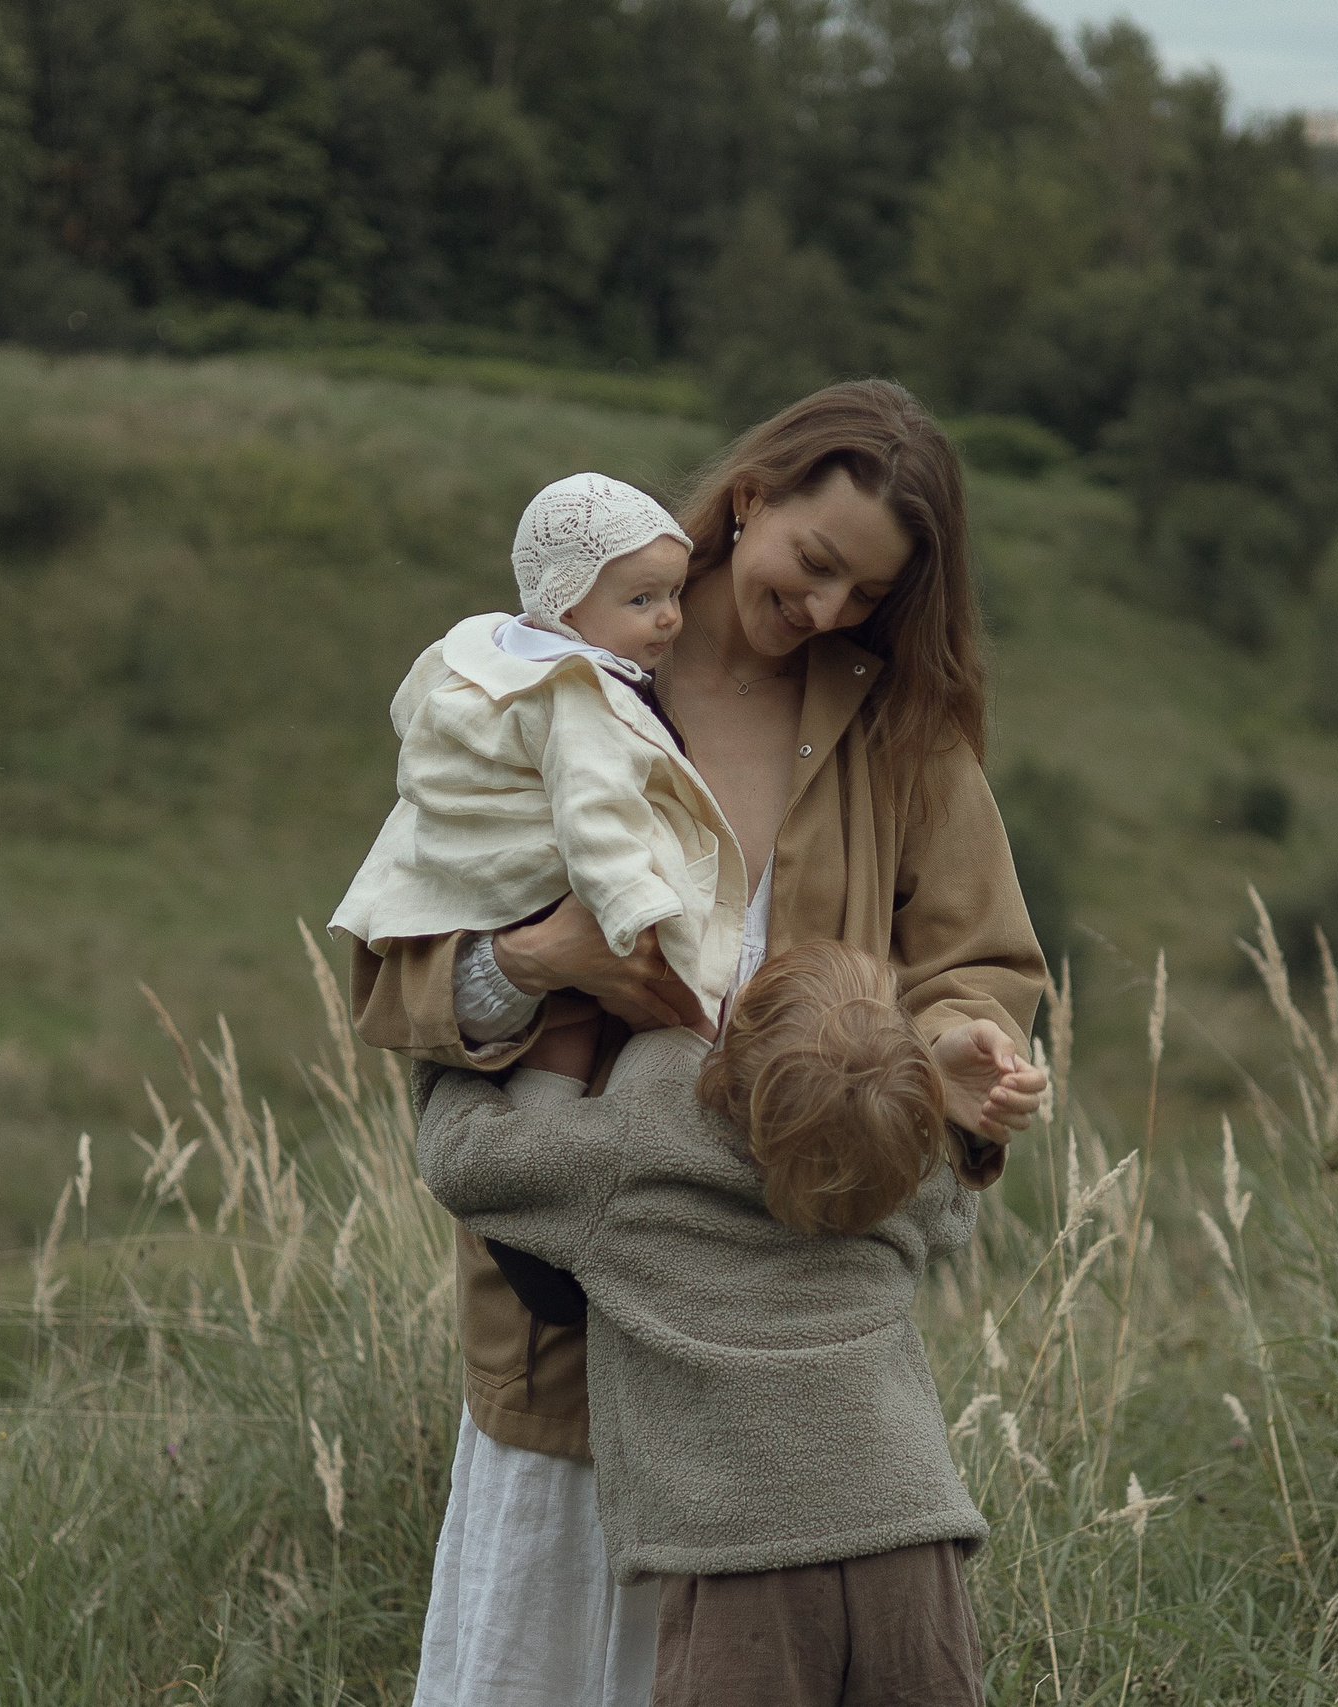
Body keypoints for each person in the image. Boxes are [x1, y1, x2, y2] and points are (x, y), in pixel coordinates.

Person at [350, 381, 1049, 1707]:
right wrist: (545, 960)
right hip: (576, 1299)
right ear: (749, 500)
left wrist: (964, 1055)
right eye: (816, 564)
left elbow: (975, 962)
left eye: (870, 595)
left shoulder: (898, 723)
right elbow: (398, 974)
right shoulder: (548, 675)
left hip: (782, 1324)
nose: (833, 611)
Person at [413, 942, 1003, 1706]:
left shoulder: (641, 1150)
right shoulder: (900, 1168)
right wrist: (949, 1111)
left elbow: (464, 1159)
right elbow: (959, 1196)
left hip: (743, 1555)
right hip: (913, 1538)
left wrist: (446, 1053)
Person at [333, 471, 746, 1093]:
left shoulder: (486, 651)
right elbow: (594, 810)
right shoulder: (579, 693)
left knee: (562, 1035)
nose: (668, 619)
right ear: (569, 605)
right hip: (570, 886)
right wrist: (636, 905)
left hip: (493, 878)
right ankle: (704, 1056)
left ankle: (544, 1119)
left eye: (675, 595)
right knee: (672, 1003)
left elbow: (412, 709)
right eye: (641, 601)